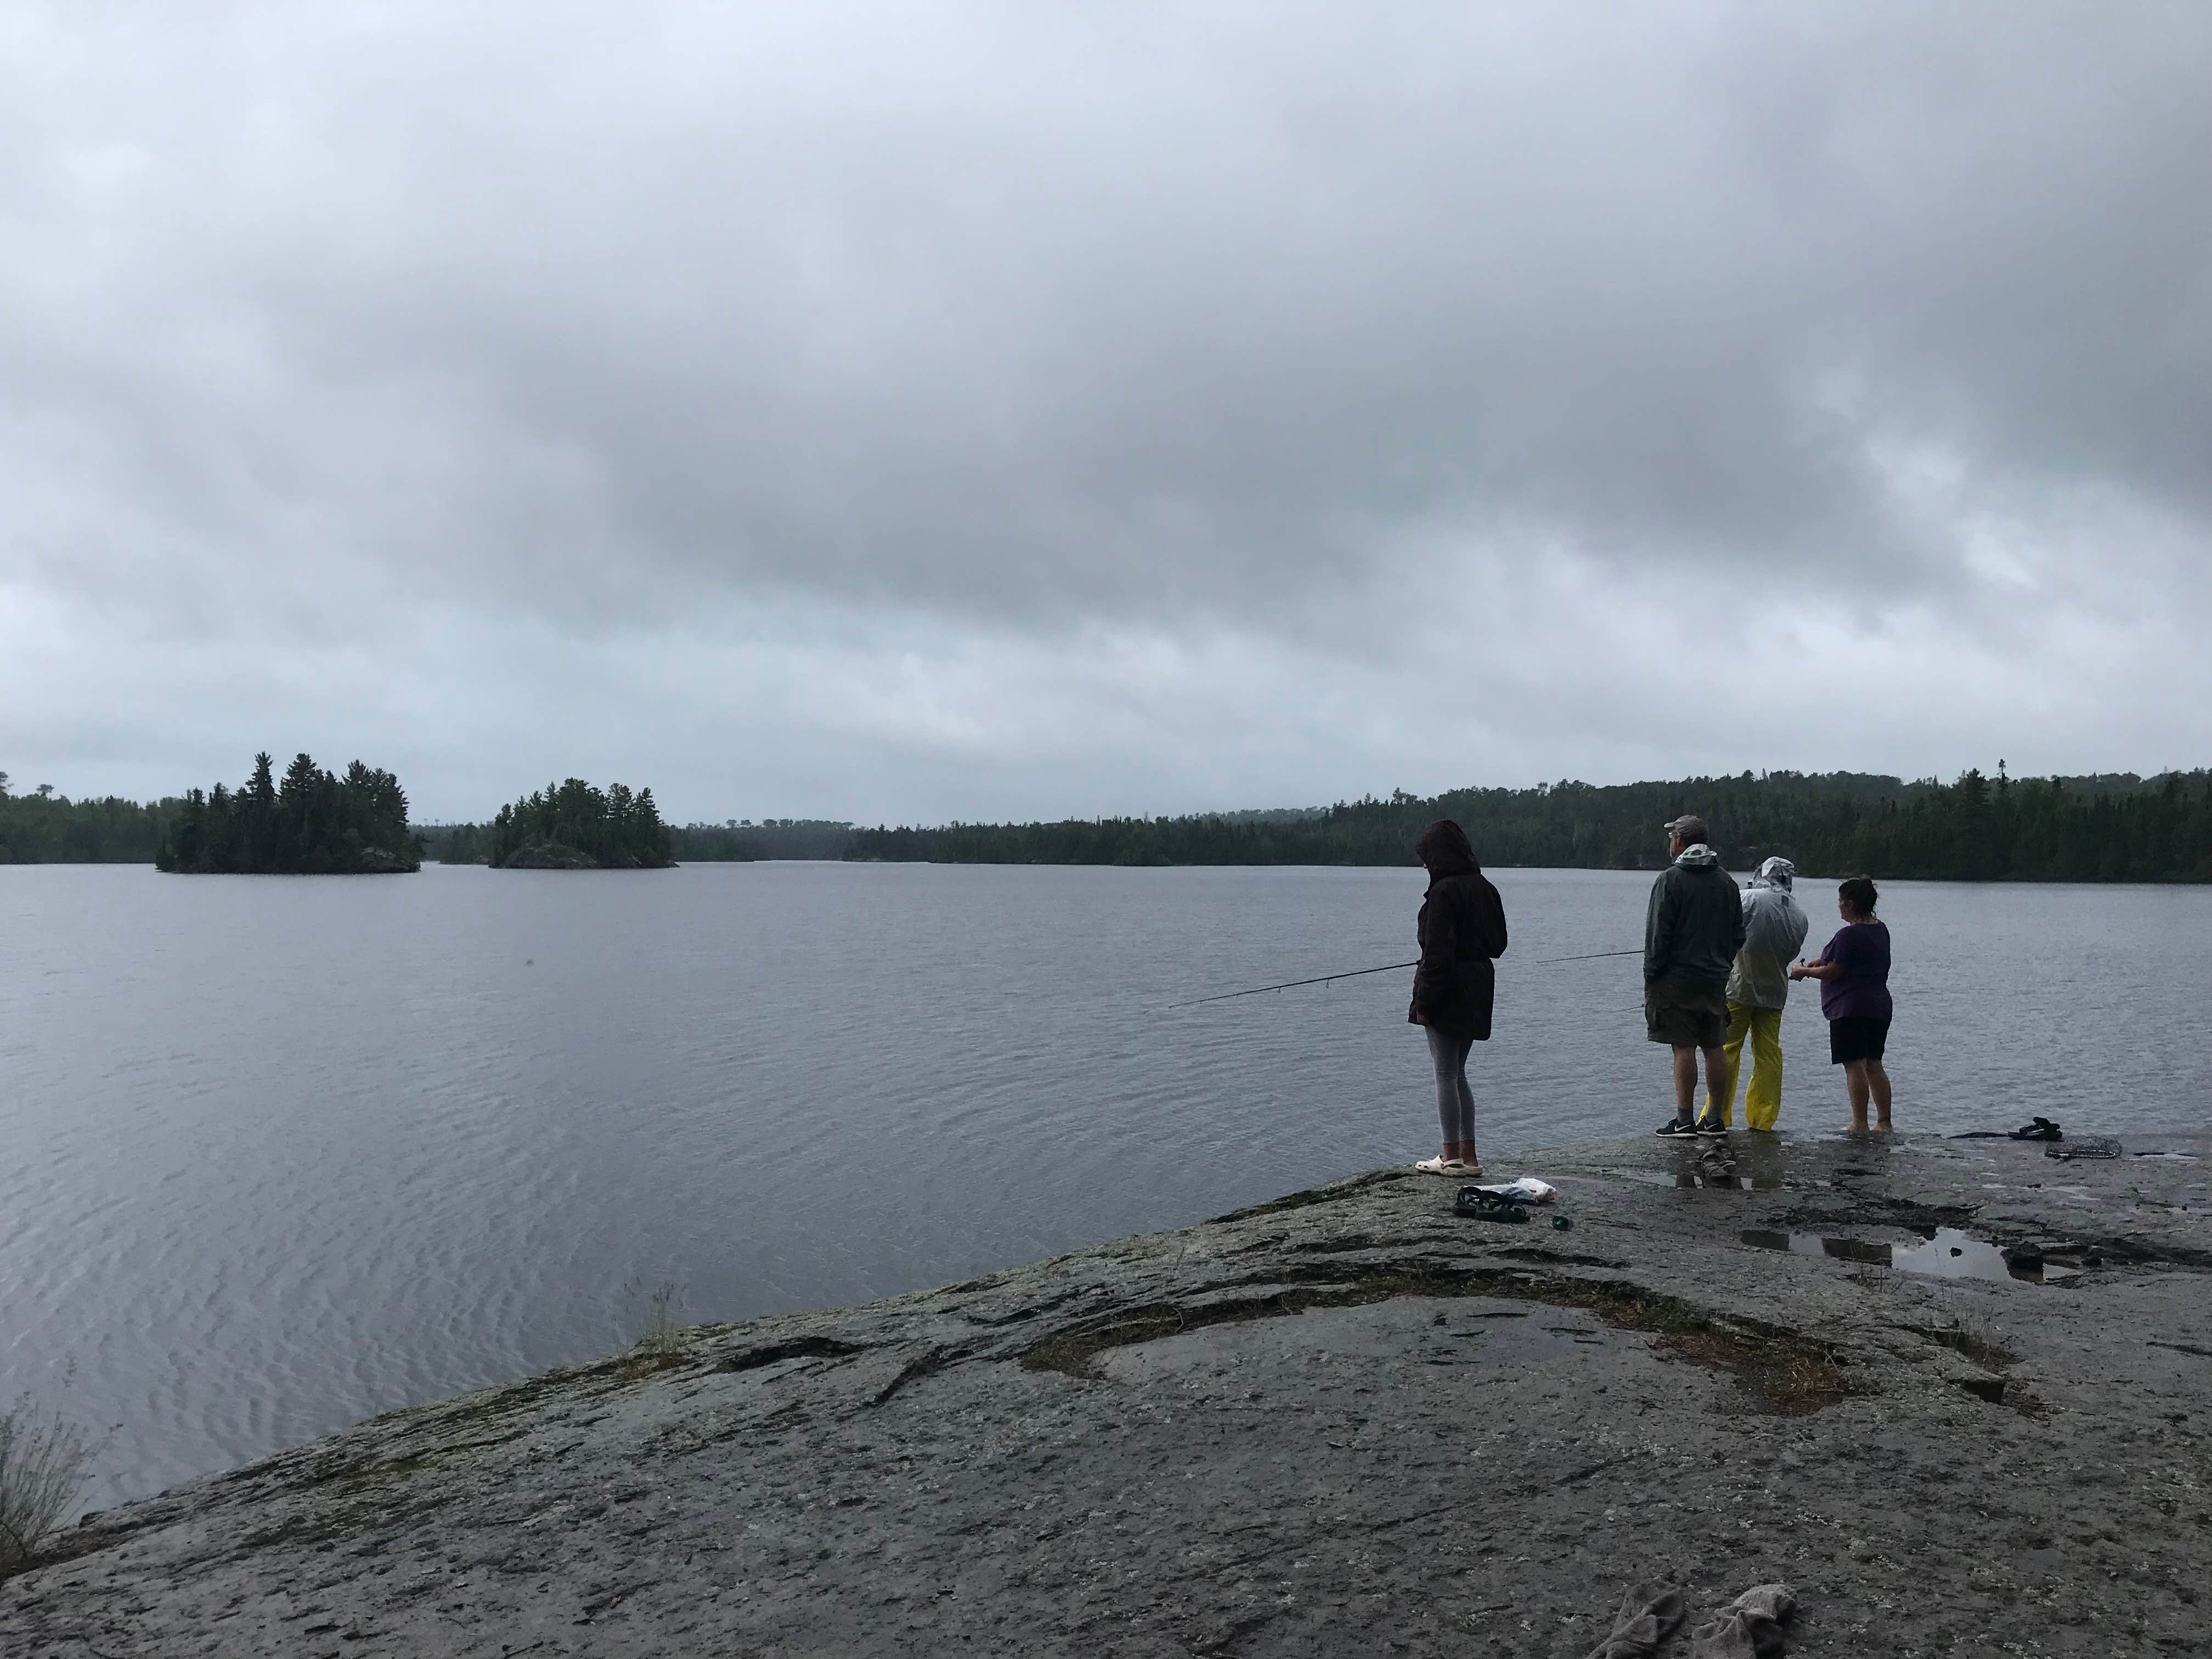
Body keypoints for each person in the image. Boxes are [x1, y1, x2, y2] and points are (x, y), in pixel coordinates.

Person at [1407, 819, 1509, 1176]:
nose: (1424, 864)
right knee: (1458, 1072)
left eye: (1426, 856)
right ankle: (1469, 1157)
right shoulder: (1486, 888)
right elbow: (1499, 945)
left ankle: (1450, 1158)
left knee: (1445, 1073)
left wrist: (1424, 1004)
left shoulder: (1443, 892)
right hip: (1480, 986)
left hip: (1449, 990)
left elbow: (1437, 955)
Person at [1645, 814, 1747, 1137]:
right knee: (1715, 1046)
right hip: (1716, 980)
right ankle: (1715, 1120)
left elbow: (1658, 936)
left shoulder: (1669, 880)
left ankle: (1685, 1121)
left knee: (1683, 1047)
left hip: (1676, 981)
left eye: (1671, 836)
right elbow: (1737, 936)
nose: (1669, 842)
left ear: (1679, 840)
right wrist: (1721, 963)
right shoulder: (1728, 883)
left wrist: (1652, 975)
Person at [1790, 876, 1894, 1131]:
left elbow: (1834, 970)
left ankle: (1859, 1123)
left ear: (1849, 904)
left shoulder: (1849, 934)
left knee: (1854, 1064)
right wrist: (1819, 962)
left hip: (1851, 1008)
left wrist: (1804, 972)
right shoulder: (1880, 929)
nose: (1838, 906)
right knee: (1874, 1063)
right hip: (1878, 1006)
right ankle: (1884, 1122)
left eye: (1840, 902)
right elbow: (1843, 960)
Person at [1715, 856, 1810, 1131]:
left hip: (1738, 988)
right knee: (1768, 1055)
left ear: (1762, 874)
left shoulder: (1747, 898)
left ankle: (1717, 1117)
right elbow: (1790, 955)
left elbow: (1724, 932)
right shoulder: (1799, 915)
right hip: (1775, 992)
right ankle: (1762, 1120)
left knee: (1727, 1050)